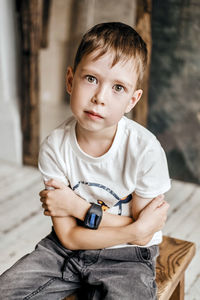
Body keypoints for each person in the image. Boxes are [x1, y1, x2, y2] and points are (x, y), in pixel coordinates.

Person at [0, 22, 171, 299]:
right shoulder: (56, 147)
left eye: (118, 87)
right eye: (91, 78)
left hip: (127, 258)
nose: (99, 97)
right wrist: (135, 227)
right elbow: (69, 236)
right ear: (70, 80)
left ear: (132, 100)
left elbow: (141, 237)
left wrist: (79, 207)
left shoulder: (145, 150)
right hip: (63, 250)